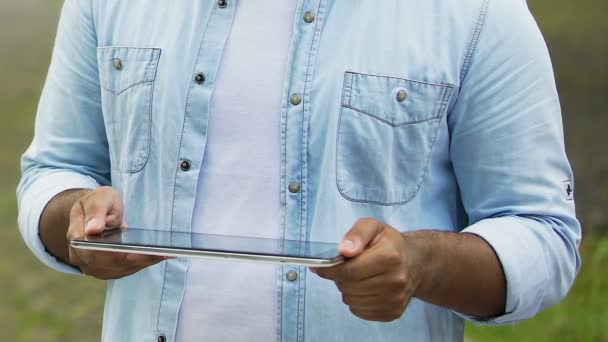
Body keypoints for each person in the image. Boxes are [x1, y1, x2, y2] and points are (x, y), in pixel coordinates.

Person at [17, 0, 581, 341]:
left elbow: (542, 232)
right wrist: (75, 221)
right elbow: (55, 168)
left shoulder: (476, 12)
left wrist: (421, 264)